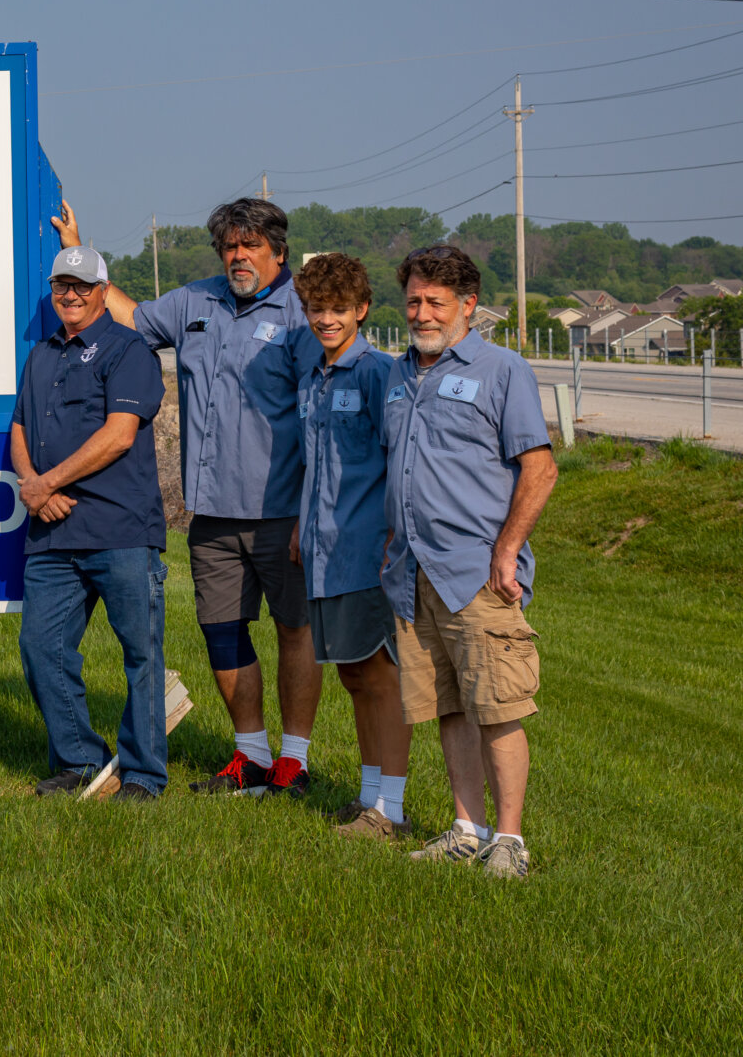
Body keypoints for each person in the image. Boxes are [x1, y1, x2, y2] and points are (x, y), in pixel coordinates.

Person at [57, 197, 325, 796]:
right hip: (212, 513)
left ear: (277, 252)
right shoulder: (195, 301)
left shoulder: (302, 317)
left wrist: (313, 512)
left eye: (250, 246)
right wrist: (80, 250)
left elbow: (319, 415)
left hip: (281, 509)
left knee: (294, 631)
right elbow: (126, 316)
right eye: (230, 246)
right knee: (223, 632)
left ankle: (295, 761)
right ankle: (251, 757)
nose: (238, 256)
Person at [381, 246, 556, 879]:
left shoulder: (501, 370)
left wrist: (506, 550)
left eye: (435, 302)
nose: (422, 314)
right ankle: (466, 827)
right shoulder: (398, 376)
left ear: (468, 306)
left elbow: (539, 468)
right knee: (448, 705)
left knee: (499, 707)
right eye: (414, 302)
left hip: (478, 573)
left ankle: (509, 841)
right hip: (412, 573)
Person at [9, 244, 169, 802]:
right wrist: (33, 486)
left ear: (103, 292)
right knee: (40, 648)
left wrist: (47, 483)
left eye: (81, 287)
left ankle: (145, 774)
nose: (69, 296)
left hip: (120, 527)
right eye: (61, 287)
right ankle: (79, 760)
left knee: (141, 654)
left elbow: (120, 433)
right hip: (52, 532)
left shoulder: (128, 350)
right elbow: (21, 429)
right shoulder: (41, 355)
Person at [289, 253, 410, 841]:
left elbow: (402, 459)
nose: (326, 319)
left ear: (362, 310)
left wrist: (393, 535)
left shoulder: (376, 373)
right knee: (353, 677)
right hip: (323, 552)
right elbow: (317, 466)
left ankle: (391, 810)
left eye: (338, 308)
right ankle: (367, 798)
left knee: (380, 675)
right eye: (316, 308)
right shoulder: (314, 377)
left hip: (366, 551)